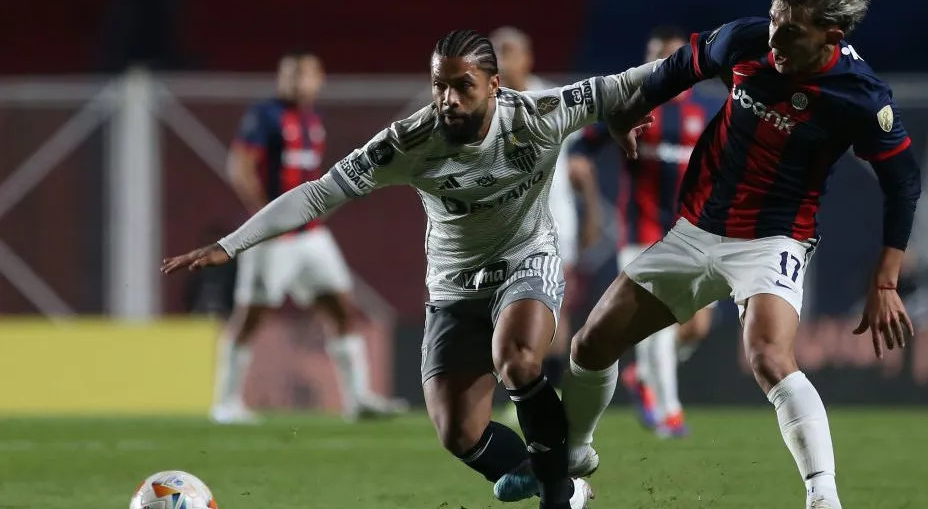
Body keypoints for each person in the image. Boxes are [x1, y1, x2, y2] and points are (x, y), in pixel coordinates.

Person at [162, 29, 664, 509]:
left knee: (517, 360)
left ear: (494, 85)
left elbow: (632, 82)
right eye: (439, 85)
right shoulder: (407, 142)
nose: (447, 98)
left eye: (462, 85)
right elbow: (319, 192)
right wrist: (232, 244)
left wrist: (714, 53)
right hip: (453, 286)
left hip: (526, 261)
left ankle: (560, 488)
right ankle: (562, 480)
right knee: (459, 433)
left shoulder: (541, 112)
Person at [558, 0, 921, 509]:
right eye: (776, 18)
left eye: (792, 30)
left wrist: (887, 278)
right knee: (590, 345)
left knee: (769, 357)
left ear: (832, 36)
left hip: (773, 240)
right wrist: (632, 108)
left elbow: (903, 184)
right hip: (696, 230)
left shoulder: (861, 97)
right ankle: (573, 467)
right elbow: (679, 67)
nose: (775, 35)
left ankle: (824, 497)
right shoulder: (748, 40)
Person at [213, 49, 407, 424]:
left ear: (318, 80)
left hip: (312, 234)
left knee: (340, 308)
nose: (295, 83)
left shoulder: (312, 120)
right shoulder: (265, 116)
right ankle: (225, 402)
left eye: (303, 75)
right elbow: (240, 166)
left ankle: (358, 400)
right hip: (274, 236)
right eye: (289, 75)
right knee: (253, 315)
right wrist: (266, 220)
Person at [570, 25, 721, 437]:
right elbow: (585, 142)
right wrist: (580, 161)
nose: (661, 67)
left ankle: (642, 377)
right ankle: (669, 412)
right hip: (642, 231)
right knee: (660, 321)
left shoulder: (708, 110)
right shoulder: (633, 103)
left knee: (696, 327)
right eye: (655, 58)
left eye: (670, 59)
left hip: (693, 232)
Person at [490, 26, 603, 417]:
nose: (502, 59)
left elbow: (581, 169)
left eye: (509, 50)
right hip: (502, 231)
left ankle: (547, 393)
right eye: (495, 52)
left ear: (528, 58)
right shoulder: (485, 108)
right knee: (506, 312)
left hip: (555, 229)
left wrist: (591, 212)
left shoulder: (553, 102)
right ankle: (528, 391)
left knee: (554, 312)